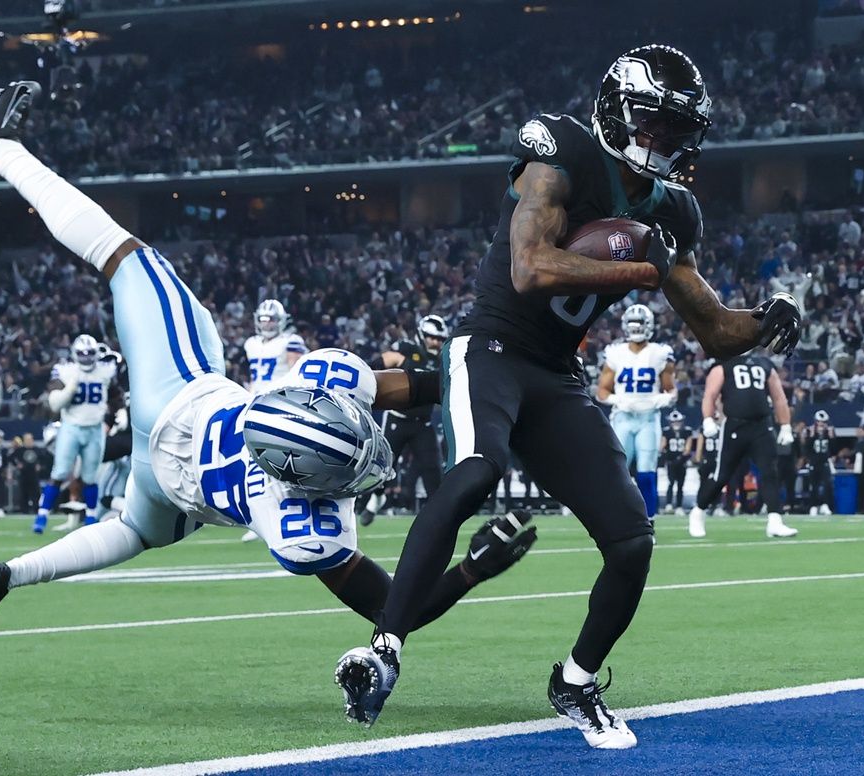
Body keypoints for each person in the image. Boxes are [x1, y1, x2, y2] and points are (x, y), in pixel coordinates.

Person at [0, 81, 537, 651]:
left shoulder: (314, 402)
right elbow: (393, 611)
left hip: (178, 407)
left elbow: (424, 388)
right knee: (132, 530)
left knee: (126, 258)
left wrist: (490, 385)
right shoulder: (302, 523)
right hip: (179, 484)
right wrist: (470, 571)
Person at [335, 45, 802, 749]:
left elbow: (713, 330)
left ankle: (576, 682)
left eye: (675, 131)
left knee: (630, 538)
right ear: (615, 110)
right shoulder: (559, 151)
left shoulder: (670, 207)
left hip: (555, 374)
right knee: (476, 472)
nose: (660, 141)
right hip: (488, 348)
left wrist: (766, 321)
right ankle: (384, 649)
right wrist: (645, 267)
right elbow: (529, 269)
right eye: (649, 122)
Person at [688, 351, 798, 538]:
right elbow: (710, 394)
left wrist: (786, 425)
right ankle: (698, 511)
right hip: (735, 425)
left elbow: (779, 397)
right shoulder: (724, 363)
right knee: (721, 475)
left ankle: (775, 520)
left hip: (762, 426)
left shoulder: (764, 364)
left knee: (770, 472)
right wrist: (707, 418)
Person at [357, 315, 450, 526]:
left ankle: (441, 516)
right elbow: (380, 364)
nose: (435, 342)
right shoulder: (407, 350)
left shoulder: (445, 357)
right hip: (397, 419)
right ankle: (374, 500)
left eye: (439, 338)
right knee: (380, 466)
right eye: (431, 337)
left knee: (432, 468)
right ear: (421, 335)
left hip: (423, 423)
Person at [34, 334, 121, 533]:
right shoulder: (66, 371)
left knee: (90, 476)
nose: (86, 357)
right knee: (60, 472)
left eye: (90, 353)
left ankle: (90, 516)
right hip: (71, 427)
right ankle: (42, 515)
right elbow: (54, 400)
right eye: (82, 353)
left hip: (95, 428)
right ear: (75, 354)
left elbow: (115, 395)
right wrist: (67, 390)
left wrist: (118, 412)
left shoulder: (105, 371)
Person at [597, 304, 676, 519]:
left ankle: (648, 522)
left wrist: (663, 399)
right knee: (617, 472)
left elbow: (671, 390)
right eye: (632, 324)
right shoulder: (616, 353)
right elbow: (601, 392)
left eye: (639, 324)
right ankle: (614, 518)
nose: (636, 328)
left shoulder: (660, 353)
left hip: (648, 419)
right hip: (622, 417)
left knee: (646, 474)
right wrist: (618, 400)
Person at [239, 301, 308, 542]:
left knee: (285, 459)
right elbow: (250, 374)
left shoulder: (290, 341)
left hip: (281, 406)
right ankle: (260, 517)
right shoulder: (251, 344)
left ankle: (296, 508)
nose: (267, 324)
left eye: (271, 319)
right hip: (255, 405)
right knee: (255, 461)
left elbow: (297, 372)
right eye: (264, 319)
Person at [802, 410, 835, 515]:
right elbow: (805, 449)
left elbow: (834, 448)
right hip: (814, 462)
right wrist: (811, 437)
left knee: (827, 484)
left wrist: (831, 437)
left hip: (825, 461)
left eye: (823, 422)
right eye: (819, 422)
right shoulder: (809, 431)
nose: (821, 424)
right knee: (814, 485)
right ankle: (813, 506)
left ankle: (825, 505)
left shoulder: (829, 432)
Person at [661, 410, 693, 514]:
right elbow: (662, 446)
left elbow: (688, 447)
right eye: (674, 422)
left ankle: (679, 506)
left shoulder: (687, 431)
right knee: (670, 483)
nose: (676, 424)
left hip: (681, 461)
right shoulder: (666, 432)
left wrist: (681, 458)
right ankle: (669, 504)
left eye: (678, 421)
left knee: (680, 484)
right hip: (671, 461)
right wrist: (666, 457)